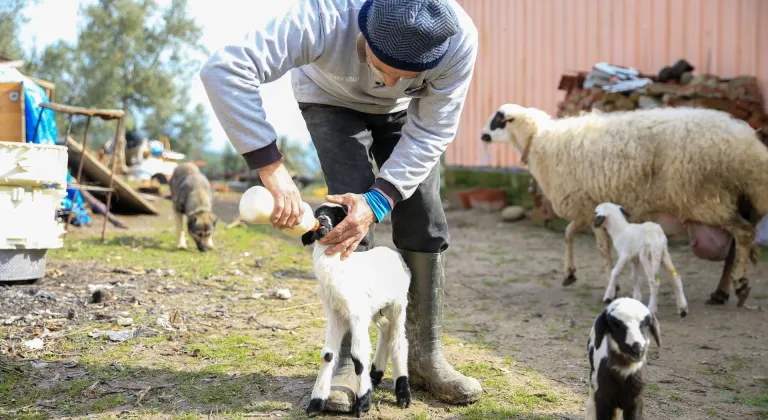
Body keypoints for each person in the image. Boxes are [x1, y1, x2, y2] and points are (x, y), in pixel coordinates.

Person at [200, 0, 481, 412]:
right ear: (363, 35)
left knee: (424, 213)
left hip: (408, 114)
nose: (388, 83)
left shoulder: (457, 39)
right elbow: (223, 69)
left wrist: (380, 199)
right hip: (329, 98)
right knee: (349, 213)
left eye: (406, 75)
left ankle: (424, 356)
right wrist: (271, 169)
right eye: (382, 67)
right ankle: (350, 362)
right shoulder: (324, 17)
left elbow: (434, 130)